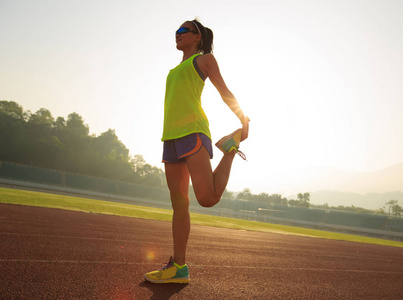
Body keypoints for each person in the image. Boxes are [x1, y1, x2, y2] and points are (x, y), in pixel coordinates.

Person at [144, 19, 250, 284]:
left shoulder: (204, 60)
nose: (177, 35)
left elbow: (223, 90)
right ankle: (179, 267)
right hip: (171, 137)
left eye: (183, 31)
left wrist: (244, 120)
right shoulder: (175, 68)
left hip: (193, 131)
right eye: (176, 31)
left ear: (197, 38)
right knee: (179, 203)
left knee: (207, 198)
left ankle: (229, 149)